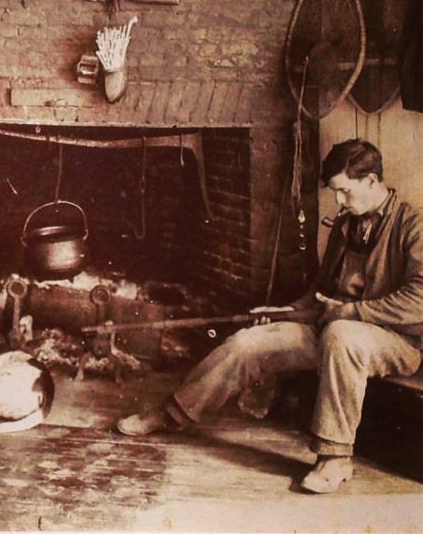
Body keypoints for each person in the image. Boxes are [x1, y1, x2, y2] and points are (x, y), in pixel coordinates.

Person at [117, 139, 423, 494]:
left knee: (343, 335)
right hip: (333, 328)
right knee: (249, 342)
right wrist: (286, 312)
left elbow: (420, 299)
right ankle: (173, 414)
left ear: (372, 181)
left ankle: (335, 459)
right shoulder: (346, 225)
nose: (339, 202)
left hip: (395, 340)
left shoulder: (413, 225)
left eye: (344, 192)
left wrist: (353, 311)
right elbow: (319, 292)